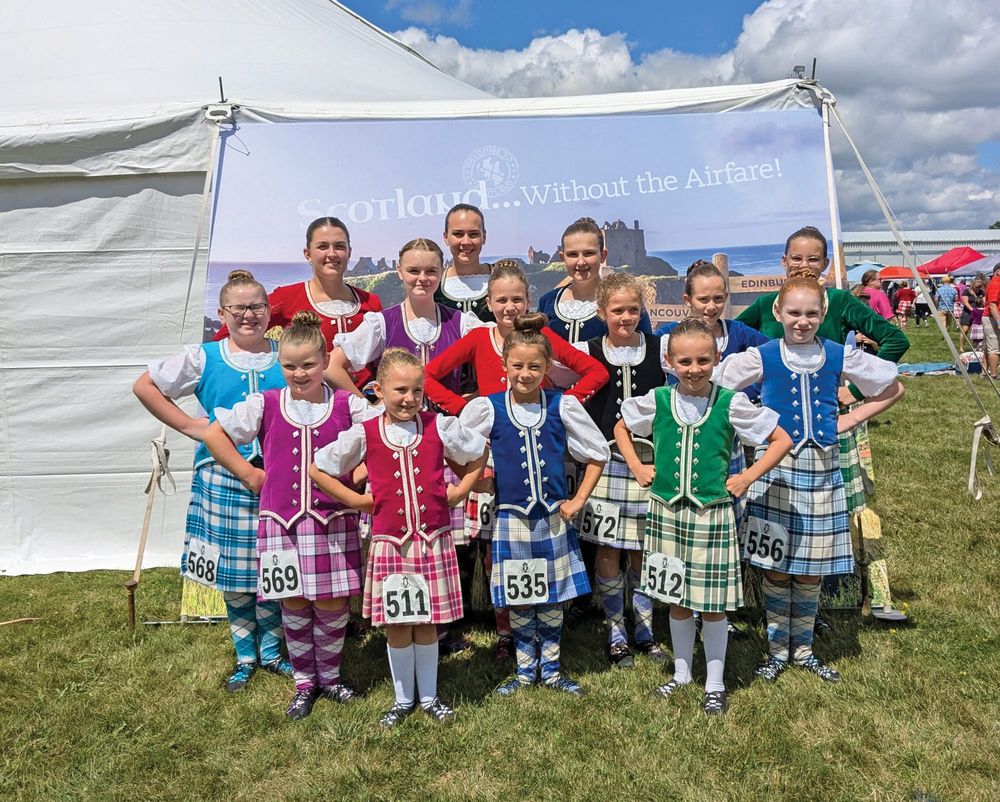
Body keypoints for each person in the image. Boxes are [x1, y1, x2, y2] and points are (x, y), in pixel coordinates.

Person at [718, 276, 904, 683]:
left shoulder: (839, 354)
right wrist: (753, 425)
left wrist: (851, 417)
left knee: (811, 569)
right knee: (777, 564)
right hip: (776, 470)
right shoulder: (762, 356)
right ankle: (777, 650)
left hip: (822, 471)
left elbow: (892, 385)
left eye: (811, 314)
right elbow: (718, 390)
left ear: (823, 314)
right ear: (778, 313)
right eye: (794, 313)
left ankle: (802, 649)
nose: (802, 322)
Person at [423, 260, 609, 659]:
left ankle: (540, 628)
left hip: (536, 444)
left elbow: (595, 372)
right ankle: (507, 628)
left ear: (528, 301)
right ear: (489, 303)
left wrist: (562, 408)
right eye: (502, 299)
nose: (509, 307)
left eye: (517, 299)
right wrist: (460, 408)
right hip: (490, 452)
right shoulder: (477, 341)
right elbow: (428, 376)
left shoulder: (541, 340)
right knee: (496, 548)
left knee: (536, 542)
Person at [204, 312, 376, 720]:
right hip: (280, 522)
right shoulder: (266, 404)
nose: (299, 374)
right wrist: (250, 473)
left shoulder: (347, 404)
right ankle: (304, 682)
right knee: (295, 602)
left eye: (309, 365)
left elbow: (382, 438)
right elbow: (214, 433)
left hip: (333, 521)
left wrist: (357, 476)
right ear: (280, 365)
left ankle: (330, 678)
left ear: (323, 363)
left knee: (333, 603)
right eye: (290, 365)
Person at [615, 319, 792, 715]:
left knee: (712, 604)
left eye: (703, 360)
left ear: (717, 359)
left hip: (712, 514)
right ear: (669, 361)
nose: (694, 369)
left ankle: (714, 682)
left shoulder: (731, 402)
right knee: (676, 598)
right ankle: (681, 674)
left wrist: (747, 476)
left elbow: (781, 440)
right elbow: (621, 427)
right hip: (666, 511)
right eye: (685, 361)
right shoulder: (658, 399)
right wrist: (638, 468)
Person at [324, 237, 490, 654]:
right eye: (413, 270)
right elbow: (334, 366)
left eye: (430, 271)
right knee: (398, 534)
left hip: (439, 442)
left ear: (442, 274)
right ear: (399, 272)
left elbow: (487, 369)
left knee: (447, 538)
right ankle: (398, 618)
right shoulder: (383, 323)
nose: (422, 278)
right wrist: (368, 408)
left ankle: (444, 622)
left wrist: (464, 412)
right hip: (394, 443)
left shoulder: (462, 322)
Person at [310, 349, 486, 728]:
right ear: (378, 389)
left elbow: (477, 452)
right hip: (390, 542)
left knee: (427, 622)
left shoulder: (439, 425)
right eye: (400, 390)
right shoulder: (366, 431)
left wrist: (461, 491)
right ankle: (403, 698)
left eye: (417, 391)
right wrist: (357, 500)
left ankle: (429, 696)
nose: (409, 399)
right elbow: (320, 467)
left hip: (432, 540)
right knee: (398, 623)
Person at [133, 270, 291, 692]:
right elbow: (145, 385)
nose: (248, 315)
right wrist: (193, 427)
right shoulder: (205, 356)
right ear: (222, 313)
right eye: (237, 308)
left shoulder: (285, 354)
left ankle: (273, 652)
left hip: (281, 477)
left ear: (269, 310)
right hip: (223, 476)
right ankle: (245, 655)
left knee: (273, 567)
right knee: (236, 573)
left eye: (256, 306)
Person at [459, 313, 610, 697]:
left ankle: (553, 669)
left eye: (535, 367)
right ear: (505, 365)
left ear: (547, 368)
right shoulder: (488, 408)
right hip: (511, 518)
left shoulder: (562, 405)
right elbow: (457, 450)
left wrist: (578, 500)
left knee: (554, 597)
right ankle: (526, 670)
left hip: (555, 518)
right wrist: (477, 476)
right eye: (518, 365)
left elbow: (597, 454)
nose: (525, 374)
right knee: (521, 597)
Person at [573, 273, 670, 667]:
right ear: (601, 312)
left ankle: (644, 630)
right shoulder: (586, 350)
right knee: (608, 548)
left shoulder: (660, 349)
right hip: (605, 462)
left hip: (650, 461)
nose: (626, 317)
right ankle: (615, 631)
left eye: (633, 309)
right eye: (617, 310)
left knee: (643, 550)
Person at [216, 216, 382, 385]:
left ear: (349, 252)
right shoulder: (287, 297)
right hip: (309, 405)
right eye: (323, 246)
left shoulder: (371, 302)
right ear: (308, 254)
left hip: (365, 402)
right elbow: (225, 338)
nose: (331, 254)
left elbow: (381, 360)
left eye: (339, 246)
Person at [537, 217, 653, 342]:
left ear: (602, 256)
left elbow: (646, 349)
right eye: (573, 254)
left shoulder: (627, 300)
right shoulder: (547, 302)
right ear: (562, 257)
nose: (581, 262)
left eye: (588, 253)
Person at [435, 204, 494, 322]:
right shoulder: (434, 283)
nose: (466, 241)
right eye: (458, 234)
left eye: (473, 234)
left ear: (484, 237)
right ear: (446, 237)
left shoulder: (501, 276)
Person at [959, 274, 986, 352]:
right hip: (967, 313)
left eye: (980, 286)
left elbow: (984, 301)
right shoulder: (966, 291)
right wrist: (973, 310)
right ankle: (961, 347)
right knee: (965, 330)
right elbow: (965, 302)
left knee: (977, 330)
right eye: (977, 286)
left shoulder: (981, 292)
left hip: (978, 313)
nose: (978, 288)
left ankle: (977, 347)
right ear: (973, 285)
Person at [983, 264, 1000, 379]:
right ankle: (994, 375)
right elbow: (992, 305)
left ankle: (985, 372)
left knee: (989, 347)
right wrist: (999, 320)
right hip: (992, 317)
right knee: (994, 348)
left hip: (993, 317)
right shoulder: (995, 283)